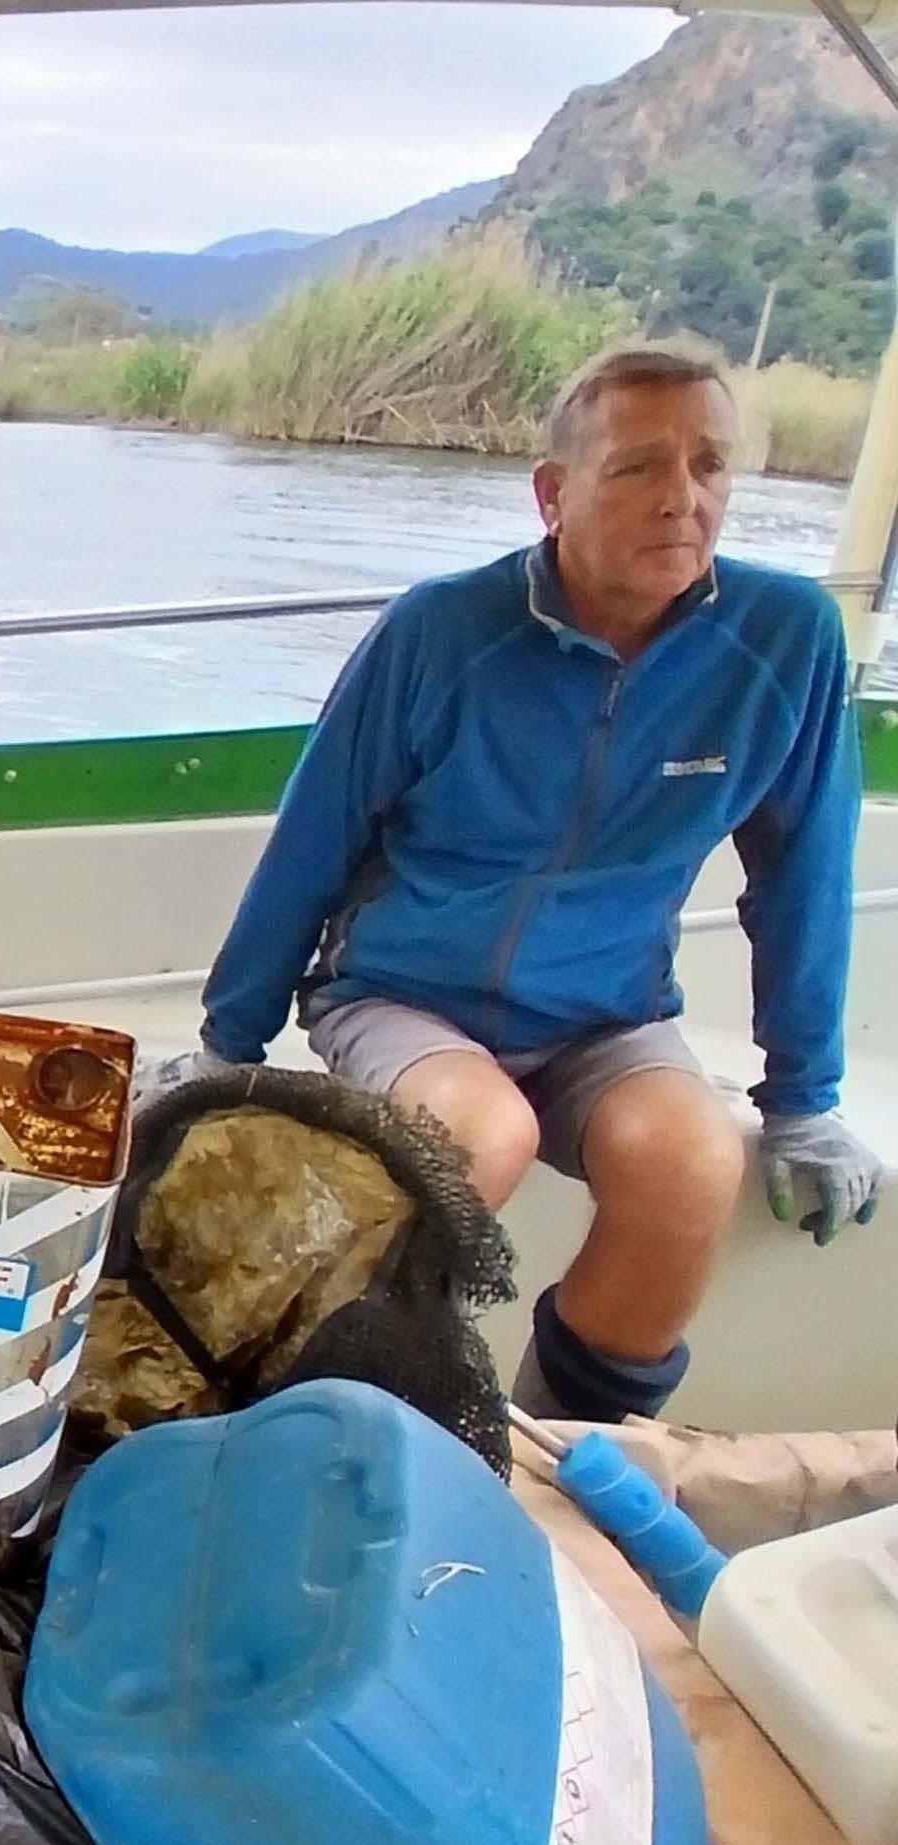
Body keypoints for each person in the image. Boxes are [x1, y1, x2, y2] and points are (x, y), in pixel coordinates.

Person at [180, 338, 880, 1428]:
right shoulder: (442, 630)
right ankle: (334, 1423)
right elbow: (313, 839)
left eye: (709, 465)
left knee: (693, 1162)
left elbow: (805, 878)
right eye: (638, 467)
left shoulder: (784, 641)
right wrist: (229, 1045)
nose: (682, 499)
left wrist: (803, 1101)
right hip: (403, 996)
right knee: (477, 1135)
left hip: (607, 1016)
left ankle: (565, 1453)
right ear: (553, 494)